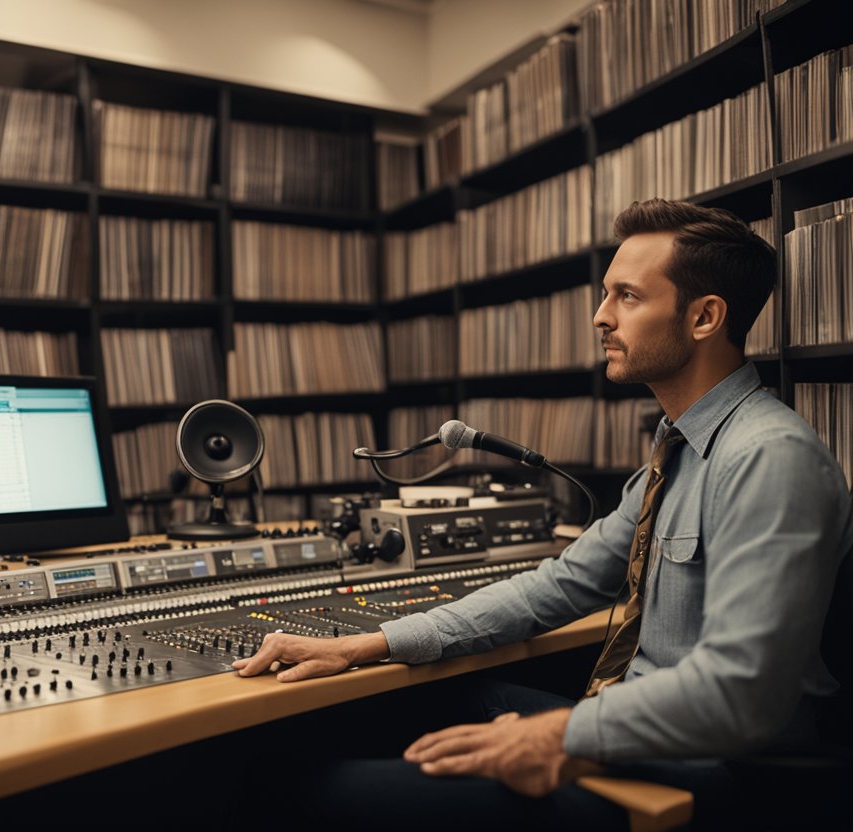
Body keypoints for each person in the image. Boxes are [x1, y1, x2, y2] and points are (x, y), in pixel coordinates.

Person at [233, 199, 853, 828]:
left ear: (704, 317)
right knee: (406, 701)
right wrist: (369, 644)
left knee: (305, 791)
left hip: (715, 772)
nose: (600, 316)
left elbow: (745, 690)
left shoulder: (769, 459)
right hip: (636, 730)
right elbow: (556, 586)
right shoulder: (680, 453)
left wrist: (562, 737)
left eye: (628, 297)